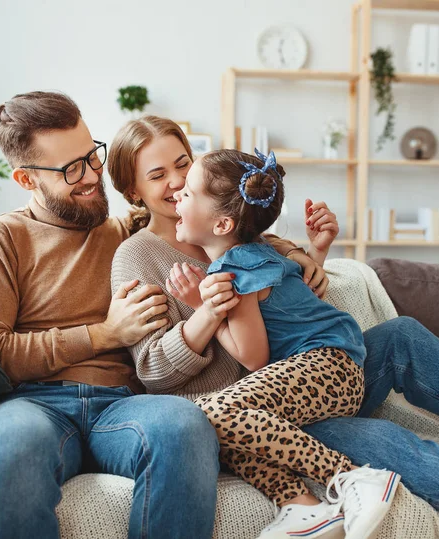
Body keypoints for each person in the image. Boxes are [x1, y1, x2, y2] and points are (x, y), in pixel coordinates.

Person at [108, 114, 439, 526]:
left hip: (305, 372)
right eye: (159, 174)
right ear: (133, 190)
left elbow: (292, 303)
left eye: (183, 164)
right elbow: (152, 371)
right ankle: (341, 489)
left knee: (400, 335)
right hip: (256, 403)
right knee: (370, 438)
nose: (178, 181)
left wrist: (315, 254)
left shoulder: (240, 232)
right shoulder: (137, 255)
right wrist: (206, 312)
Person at [0, 91, 225, 539]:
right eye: (70, 169)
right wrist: (103, 334)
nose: (91, 177)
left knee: (183, 426)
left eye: (91, 157)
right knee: (9, 447)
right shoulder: (0, 239)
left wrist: (301, 254)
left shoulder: (128, 233)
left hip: (124, 404)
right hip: (34, 405)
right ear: (26, 179)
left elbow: (221, 225)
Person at [172, 146, 402, 539]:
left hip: (329, 366)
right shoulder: (259, 252)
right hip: (330, 368)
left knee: (209, 414)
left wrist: (199, 306)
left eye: (188, 192)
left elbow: (254, 356)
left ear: (224, 224)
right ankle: (302, 506)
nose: (177, 193)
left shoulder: (237, 267)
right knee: (222, 431)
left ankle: (351, 478)